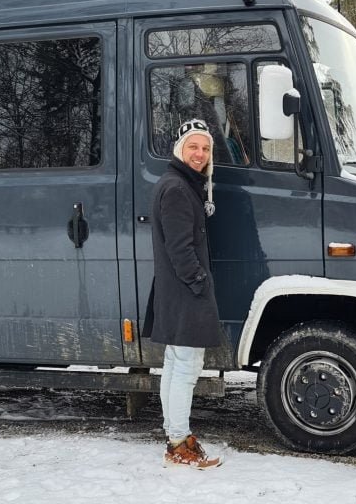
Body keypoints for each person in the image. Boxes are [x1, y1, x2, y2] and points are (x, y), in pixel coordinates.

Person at [144, 118, 223, 469]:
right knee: (186, 368)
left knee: (175, 365)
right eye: (194, 146)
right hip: (185, 291)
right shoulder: (177, 188)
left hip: (177, 290)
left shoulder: (181, 184)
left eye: (205, 149)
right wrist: (198, 282)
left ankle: (175, 436)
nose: (200, 154)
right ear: (180, 149)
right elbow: (180, 249)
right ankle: (178, 443)